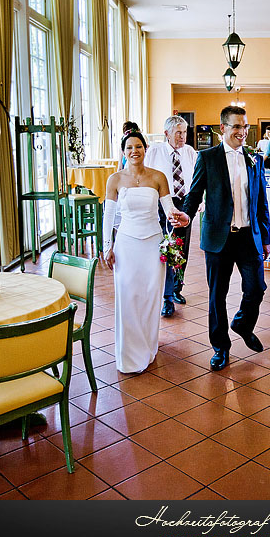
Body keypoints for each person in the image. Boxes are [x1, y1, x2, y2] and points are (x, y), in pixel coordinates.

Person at [173, 106, 270, 372]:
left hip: (249, 237)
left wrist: (266, 238)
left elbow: (261, 201)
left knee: (256, 288)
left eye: (246, 126)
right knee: (217, 295)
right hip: (218, 237)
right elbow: (194, 194)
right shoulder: (208, 158)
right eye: (237, 127)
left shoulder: (255, 160)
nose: (243, 132)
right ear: (223, 129)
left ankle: (242, 324)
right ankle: (220, 347)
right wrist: (186, 214)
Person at [100, 131, 188, 374]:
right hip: (126, 244)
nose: (134, 151)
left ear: (145, 148)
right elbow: (109, 215)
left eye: (138, 146)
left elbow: (169, 209)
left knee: (150, 296)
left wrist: (179, 218)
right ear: (123, 151)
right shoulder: (114, 179)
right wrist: (108, 245)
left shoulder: (158, 177)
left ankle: (148, 346)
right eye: (129, 147)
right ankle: (128, 353)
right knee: (128, 296)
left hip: (152, 243)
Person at [145, 115, 198, 317]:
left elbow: (194, 180)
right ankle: (166, 298)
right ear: (167, 133)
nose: (182, 136)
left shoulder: (190, 152)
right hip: (163, 203)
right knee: (167, 249)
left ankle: (177, 289)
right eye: (178, 132)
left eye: (184, 132)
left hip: (184, 204)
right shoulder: (155, 151)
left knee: (182, 249)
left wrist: (196, 204)